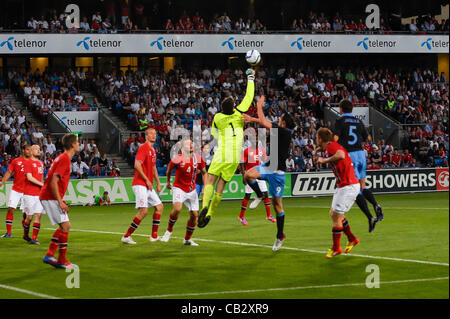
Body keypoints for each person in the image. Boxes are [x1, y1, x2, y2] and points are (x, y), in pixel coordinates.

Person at [198, 68, 255, 228]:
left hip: (222, 151)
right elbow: (249, 97)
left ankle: (204, 208)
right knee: (221, 185)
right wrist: (250, 77)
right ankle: (210, 214)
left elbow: (214, 134)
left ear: (222, 108)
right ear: (234, 106)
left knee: (210, 180)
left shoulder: (217, 117)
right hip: (235, 155)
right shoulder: (239, 113)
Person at [243, 95, 295, 251]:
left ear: (284, 122)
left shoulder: (285, 132)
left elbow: (264, 121)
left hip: (278, 172)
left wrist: (259, 105)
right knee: (248, 175)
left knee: (277, 205)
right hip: (267, 167)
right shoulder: (280, 129)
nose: (279, 118)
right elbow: (264, 122)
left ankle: (280, 235)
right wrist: (252, 119)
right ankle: (260, 194)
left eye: (281, 118)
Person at [332, 99, 383, 233]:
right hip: (361, 155)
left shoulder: (340, 121)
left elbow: (335, 139)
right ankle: (376, 205)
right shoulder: (358, 121)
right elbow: (369, 139)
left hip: (350, 157)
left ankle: (370, 217)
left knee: (354, 190)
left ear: (341, 109)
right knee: (362, 186)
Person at [315, 128, 360, 258]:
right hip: (344, 185)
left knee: (336, 217)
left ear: (321, 139)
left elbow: (341, 155)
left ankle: (336, 248)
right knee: (334, 214)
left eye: (317, 137)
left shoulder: (332, 146)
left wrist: (324, 160)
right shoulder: (330, 146)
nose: (316, 139)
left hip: (348, 185)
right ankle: (352, 239)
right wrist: (321, 151)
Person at [40, 134, 79, 269]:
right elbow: (53, 181)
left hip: (49, 196)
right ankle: (61, 260)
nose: (78, 144)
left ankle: (50, 254)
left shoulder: (62, 158)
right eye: (77, 142)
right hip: (50, 196)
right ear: (73, 145)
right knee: (66, 226)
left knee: (63, 226)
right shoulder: (64, 160)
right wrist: (60, 201)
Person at [121, 128, 163, 244]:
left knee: (159, 207)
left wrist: (158, 183)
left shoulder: (153, 150)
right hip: (140, 183)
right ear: (146, 136)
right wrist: (147, 180)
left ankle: (154, 236)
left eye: (155, 133)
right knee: (144, 211)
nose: (154, 135)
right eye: (151, 134)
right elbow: (136, 165)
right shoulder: (143, 148)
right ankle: (126, 236)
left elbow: (154, 168)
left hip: (147, 185)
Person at [161, 139, 207, 246]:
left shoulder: (198, 159)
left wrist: (205, 187)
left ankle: (187, 239)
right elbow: (168, 170)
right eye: (187, 144)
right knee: (177, 208)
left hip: (191, 190)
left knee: (194, 215)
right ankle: (168, 231)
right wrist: (168, 182)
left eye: (191, 143)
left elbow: (204, 173)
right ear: (182, 148)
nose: (190, 145)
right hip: (179, 188)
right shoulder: (177, 159)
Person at [238, 138, 275, 226]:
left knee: (265, 194)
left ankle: (269, 215)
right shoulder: (246, 151)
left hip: (259, 173)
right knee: (247, 195)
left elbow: (266, 161)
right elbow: (242, 163)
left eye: (257, 140)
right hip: (250, 175)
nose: (256, 141)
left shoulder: (262, 150)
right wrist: (244, 175)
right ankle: (241, 216)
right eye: (254, 140)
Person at [0, 144, 31, 238]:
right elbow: (9, 172)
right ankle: (8, 233)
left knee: (26, 214)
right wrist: (2, 182)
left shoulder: (32, 162)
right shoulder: (16, 161)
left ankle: (25, 230)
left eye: (30, 150)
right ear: (23, 150)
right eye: (27, 150)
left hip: (27, 191)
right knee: (10, 209)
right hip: (16, 190)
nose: (29, 152)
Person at [22, 144, 44, 245]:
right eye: (36, 149)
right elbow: (29, 178)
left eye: (39, 149)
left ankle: (34, 238)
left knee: (38, 215)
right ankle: (25, 235)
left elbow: (41, 178)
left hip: (38, 194)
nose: (38, 151)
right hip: (29, 194)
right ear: (31, 151)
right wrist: (42, 184)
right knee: (29, 217)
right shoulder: (27, 162)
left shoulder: (41, 163)